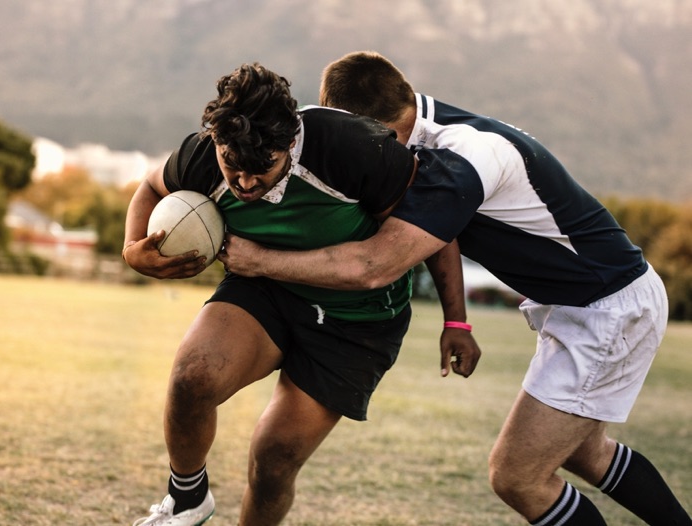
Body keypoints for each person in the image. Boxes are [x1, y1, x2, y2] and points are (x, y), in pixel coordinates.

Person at [219, 51, 691, 525]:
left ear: (362, 125)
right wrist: (457, 319)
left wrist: (258, 261)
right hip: (592, 302)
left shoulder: (461, 155)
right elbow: (450, 231)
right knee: (586, 453)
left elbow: (374, 266)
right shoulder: (430, 138)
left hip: (607, 308)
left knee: (517, 476)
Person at [122, 62, 481, 526]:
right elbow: (151, 187)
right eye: (234, 167)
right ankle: (188, 499)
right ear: (216, 142)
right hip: (265, 291)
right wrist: (134, 252)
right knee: (192, 377)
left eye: (261, 169)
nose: (245, 183)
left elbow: (435, 225)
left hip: (357, 319)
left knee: (273, 459)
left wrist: (456, 321)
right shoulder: (204, 155)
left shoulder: (353, 148)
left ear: (290, 141)